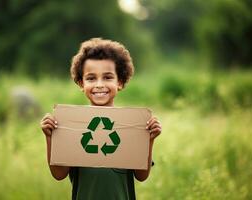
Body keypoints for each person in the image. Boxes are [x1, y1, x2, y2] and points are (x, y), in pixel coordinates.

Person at [40, 38, 162, 200]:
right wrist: (50, 137)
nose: (99, 84)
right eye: (91, 78)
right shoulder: (71, 125)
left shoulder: (131, 124)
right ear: (81, 83)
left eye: (107, 77)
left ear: (120, 81)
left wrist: (149, 139)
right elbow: (59, 174)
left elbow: (141, 175)